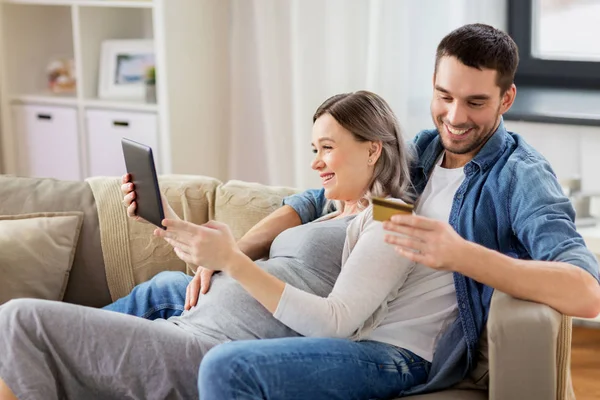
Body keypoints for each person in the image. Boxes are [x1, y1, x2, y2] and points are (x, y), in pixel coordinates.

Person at [196, 23, 600, 399]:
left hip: (401, 353)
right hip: (347, 326)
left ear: (506, 98)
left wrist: (462, 255)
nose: (455, 117)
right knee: (167, 298)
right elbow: (312, 201)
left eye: (476, 102)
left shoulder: (519, 176)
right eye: (445, 97)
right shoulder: (422, 152)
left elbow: (586, 292)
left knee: (229, 368)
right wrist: (233, 254)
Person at [0, 90, 416, 400]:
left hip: (212, 349)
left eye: (327, 148)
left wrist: (232, 262)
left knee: (19, 320)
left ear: (373, 148)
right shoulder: (328, 210)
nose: (315, 162)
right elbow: (230, 252)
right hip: (185, 328)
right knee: (30, 342)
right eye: (314, 149)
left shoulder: (388, 216)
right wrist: (168, 222)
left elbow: (336, 321)